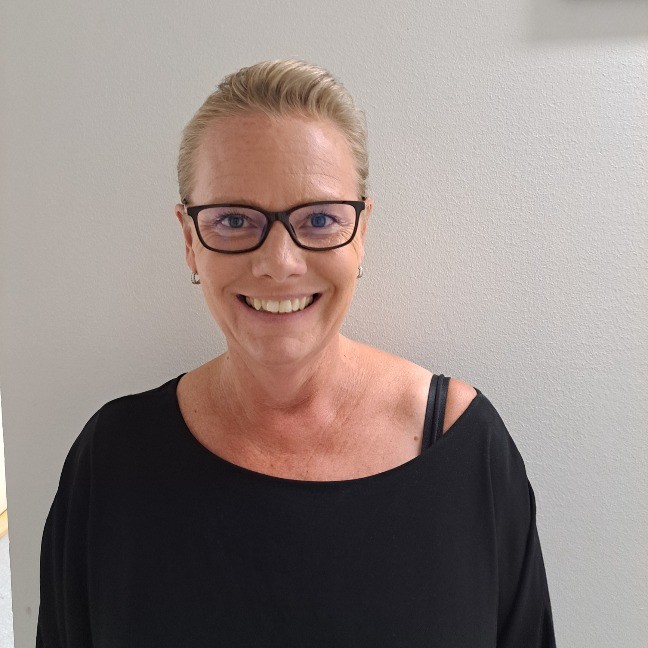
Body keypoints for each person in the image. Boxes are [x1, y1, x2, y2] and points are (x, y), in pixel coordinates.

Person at [36, 59, 557, 647]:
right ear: (188, 240)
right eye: (234, 219)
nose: (279, 263)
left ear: (361, 233)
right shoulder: (112, 462)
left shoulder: (468, 451)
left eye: (320, 219)